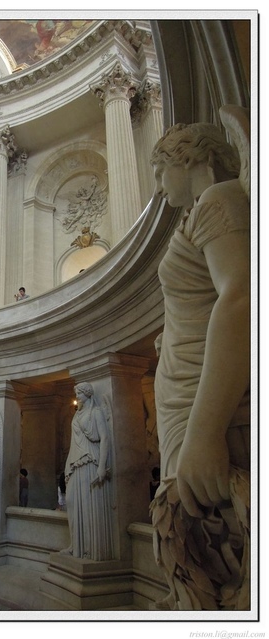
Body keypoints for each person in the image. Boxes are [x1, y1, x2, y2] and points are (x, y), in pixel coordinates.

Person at [149, 106, 250, 610]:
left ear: (187, 158)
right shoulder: (199, 213)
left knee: (222, 551)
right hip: (187, 400)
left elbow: (243, 297)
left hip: (207, 409)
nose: (158, 185)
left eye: (160, 170)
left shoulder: (216, 199)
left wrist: (206, 430)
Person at [61, 382, 113, 560]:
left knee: (87, 503)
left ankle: (90, 548)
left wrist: (102, 466)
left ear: (87, 394)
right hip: (76, 461)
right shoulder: (77, 414)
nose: (77, 397)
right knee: (71, 501)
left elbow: (104, 438)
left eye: (79, 393)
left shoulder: (96, 412)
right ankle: (76, 545)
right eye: (76, 393)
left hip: (90, 460)